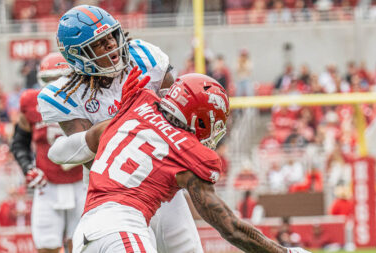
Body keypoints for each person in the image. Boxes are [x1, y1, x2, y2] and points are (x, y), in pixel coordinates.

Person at [71, 72, 311, 253]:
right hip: (122, 231)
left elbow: (67, 150)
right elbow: (230, 227)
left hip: (85, 232)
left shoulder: (139, 106)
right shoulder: (187, 150)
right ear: (200, 118)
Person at [37, 5, 202, 253]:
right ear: (78, 55)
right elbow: (93, 159)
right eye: (99, 44)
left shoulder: (145, 58)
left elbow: (178, 119)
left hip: (163, 184)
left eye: (111, 37)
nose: (111, 46)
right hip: (114, 196)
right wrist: (127, 117)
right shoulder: (67, 94)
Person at [11, 52, 86, 253]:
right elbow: (19, 143)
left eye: (59, 78)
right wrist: (28, 168)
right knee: (46, 247)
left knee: (82, 246)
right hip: (48, 184)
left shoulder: (84, 99)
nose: (54, 85)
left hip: (82, 182)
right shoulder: (31, 102)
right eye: (49, 80)